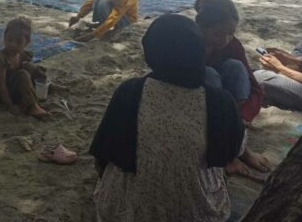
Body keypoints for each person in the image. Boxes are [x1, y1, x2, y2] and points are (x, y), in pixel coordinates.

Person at [90, 14, 244, 222]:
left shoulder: (130, 91)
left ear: (152, 51)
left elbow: (102, 154)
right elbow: (229, 153)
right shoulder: (220, 101)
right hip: (198, 215)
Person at [195, 0, 270, 178]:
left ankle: (238, 146)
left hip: (228, 110)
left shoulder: (232, 45)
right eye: (219, 34)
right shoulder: (189, 44)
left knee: (236, 68)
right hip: (197, 108)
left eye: (231, 34)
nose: (226, 40)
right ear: (201, 27)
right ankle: (224, 153)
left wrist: (242, 117)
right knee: (209, 75)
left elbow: (254, 88)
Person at [0, 17, 50, 119]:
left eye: (18, 41)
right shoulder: (1, 59)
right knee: (23, 74)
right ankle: (33, 106)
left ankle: (45, 85)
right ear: (4, 37)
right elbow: (1, 86)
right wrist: (10, 105)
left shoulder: (21, 54)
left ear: (27, 43)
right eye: (9, 39)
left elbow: (30, 70)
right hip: (0, 95)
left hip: (12, 85)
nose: (13, 44)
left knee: (29, 66)